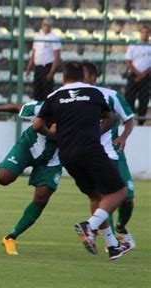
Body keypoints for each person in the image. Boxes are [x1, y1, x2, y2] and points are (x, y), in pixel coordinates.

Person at [33, 62, 131, 260]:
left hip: (68, 155)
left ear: (63, 78)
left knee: (96, 196)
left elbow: (37, 125)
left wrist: (53, 136)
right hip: (90, 149)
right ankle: (90, 226)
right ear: (83, 76)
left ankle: (112, 246)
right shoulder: (94, 93)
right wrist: (96, 133)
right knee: (120, 192)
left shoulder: (54, 96)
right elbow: (109, 117)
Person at [0, 101, 61, 255]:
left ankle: (11, 237)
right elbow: (16, 107)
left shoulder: (74, 116)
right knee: (3, 178)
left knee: (41, 199)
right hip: (28, 146)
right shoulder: (41, 107)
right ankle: (10, 164)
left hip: (51, 160)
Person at [82, 62, 136, 249]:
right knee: (102, 196)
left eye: (83, 76)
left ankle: (121, 227)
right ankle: (106, 240)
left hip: (114, 154)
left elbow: (129, 119)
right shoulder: (74, 98)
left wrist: (123, 136)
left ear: (93, 78)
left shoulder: (111, 96)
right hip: (93, 154)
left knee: (127, 198)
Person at [26, 18, 61, 101]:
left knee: (47, 92)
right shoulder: (38, 36)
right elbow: (34, 53)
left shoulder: (54, 38)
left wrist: (51, 72)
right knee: (37, 91)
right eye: (45, 25)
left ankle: (46, 111)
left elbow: (57, 56)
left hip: (47, 66)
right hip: (38, 67)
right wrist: (29, 67)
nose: (46, 27)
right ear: (42, 25)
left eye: (49, 25)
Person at [124, 25, 150, 126]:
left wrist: (143, 74)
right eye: (143, 32)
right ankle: (127, 120)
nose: (145, 34)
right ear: (140, 33)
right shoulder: (134, 46)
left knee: (144, 99)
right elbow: (128, 61)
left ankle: (141, 121)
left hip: (146, 76)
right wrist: (138, 73)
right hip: (133, 75)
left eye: (147, 32)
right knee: (130, 98)